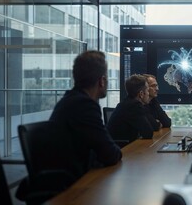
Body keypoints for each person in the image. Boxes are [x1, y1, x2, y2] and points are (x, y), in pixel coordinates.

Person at [49, 50, 122, 178]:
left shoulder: (70, 100)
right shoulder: (84, 105)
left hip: (68, 176)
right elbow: (110, 154)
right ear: (102, 81)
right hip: (72, 187)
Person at [107, 74, 160, 142]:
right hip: (120, 148)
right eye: (147, 90)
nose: (148, 94)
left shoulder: (127, 102)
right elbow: (148, 133)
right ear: (141, 94)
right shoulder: (134, 106)